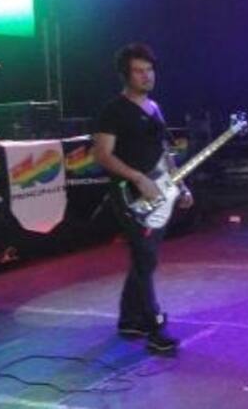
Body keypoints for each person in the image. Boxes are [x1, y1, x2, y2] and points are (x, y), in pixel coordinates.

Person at [93, 43, 193, 353]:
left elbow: (165, 153)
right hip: (130, 195)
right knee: (145, 256)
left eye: (149, 70)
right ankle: (154, 327)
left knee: (143, 258)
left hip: (158, 194)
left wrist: (181, 185)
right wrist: (137, 178)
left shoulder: (155, 108)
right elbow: (102, 155)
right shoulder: (113, 111)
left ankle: (129, 320)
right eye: (139, 71)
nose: (147, 76)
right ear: (125, 75)